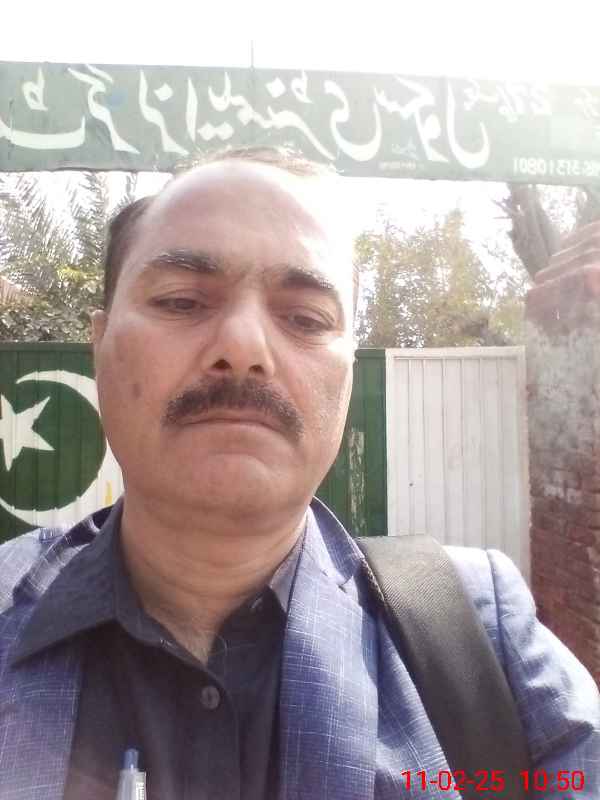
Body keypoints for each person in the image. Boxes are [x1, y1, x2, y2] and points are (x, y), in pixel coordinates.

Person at [0, 147, 598, 800]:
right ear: (100, 346)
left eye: (306, 319)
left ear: (347, 373)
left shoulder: (480, 637)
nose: (244, 347)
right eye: (180, 301)